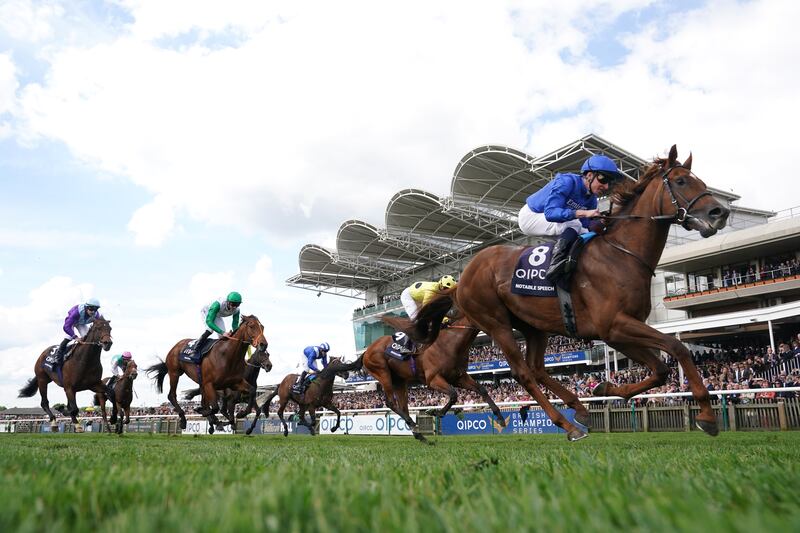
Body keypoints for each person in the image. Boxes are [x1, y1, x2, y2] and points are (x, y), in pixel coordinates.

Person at [517, 154, 624, 281]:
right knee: (574, 223)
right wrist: (582, 213)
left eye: (609, 182)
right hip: (530, 216)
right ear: (589, 175)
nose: (606, 186)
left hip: (553, 221)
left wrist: (602, 224)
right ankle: (555, 266)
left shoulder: (592, 200)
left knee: (583, 233)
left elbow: (586, 228)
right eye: (603, 179)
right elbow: (550, 213)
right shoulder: (566, 181)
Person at [55, 298, 103, 364]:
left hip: (81, 323)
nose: (93, 311)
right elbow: (66, 327)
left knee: (87, 338)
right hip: (71, 323)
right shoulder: (76, 313)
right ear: (86, 307)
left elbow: (101, 324)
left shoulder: (96, 315)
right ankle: (58, 356)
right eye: (91, 309)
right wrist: (75, 337)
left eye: (96, 309)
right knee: (69, 337)